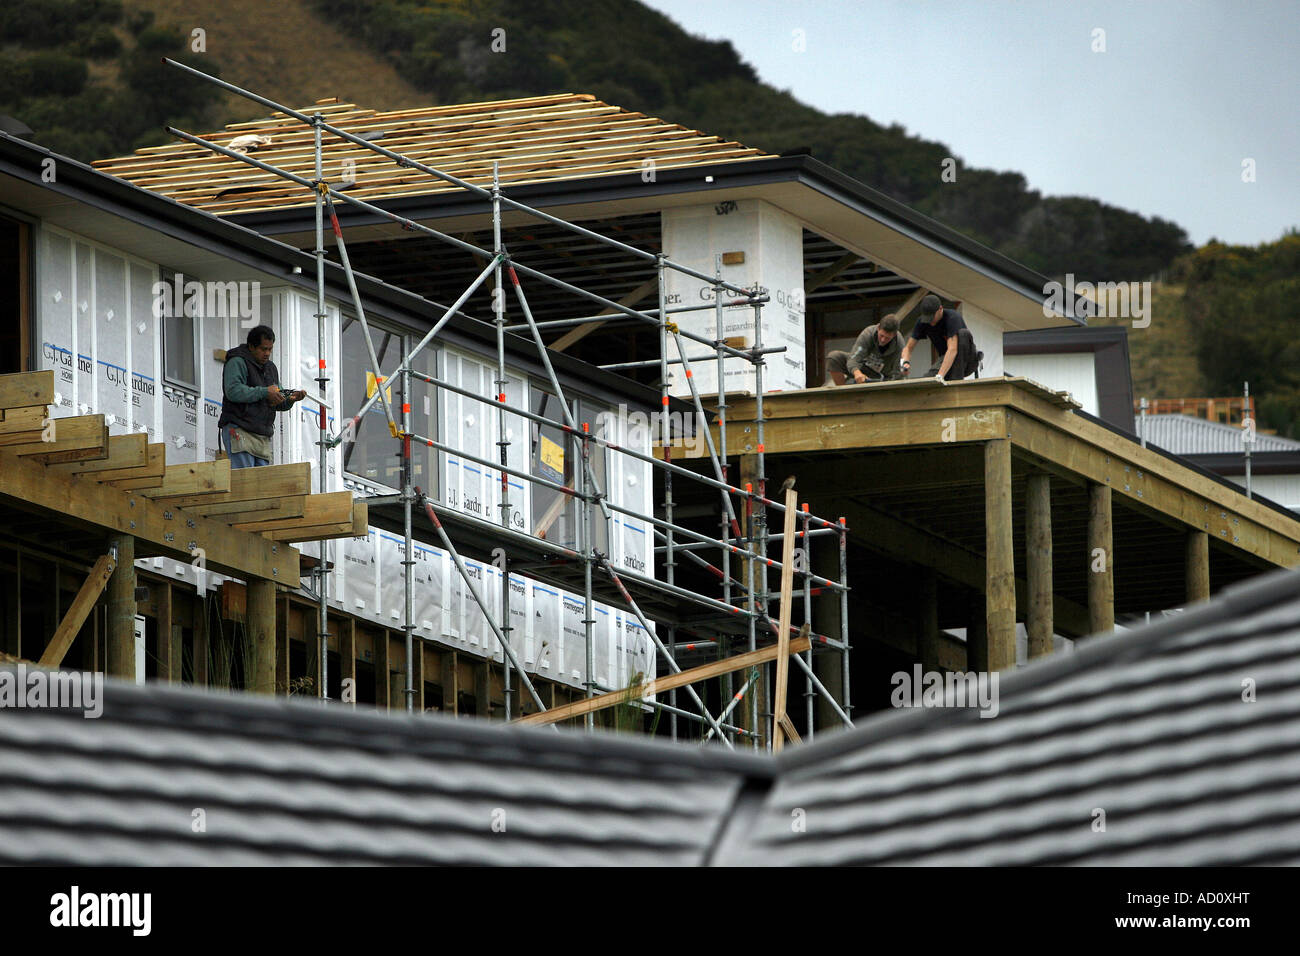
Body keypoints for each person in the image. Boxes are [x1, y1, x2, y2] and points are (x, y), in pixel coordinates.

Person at [217, 325, 304, 468]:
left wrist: (290, 399)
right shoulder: (237, 361)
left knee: (260, 484)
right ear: (251, 346)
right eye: (263, 349)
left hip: (261, 436)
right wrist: (265, 392)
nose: (267, 353)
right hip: (239, 428)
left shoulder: (270, 368)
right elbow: (233, 391)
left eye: (270, 349)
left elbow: (277, 400)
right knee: (246, 483)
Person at [900, 294, 983, 381]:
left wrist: (940, 375)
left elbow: (952, 349)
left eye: (932, 317)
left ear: (940, 309)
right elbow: (908, 348)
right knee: (928, 380)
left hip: (967, 359)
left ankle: (956, 380)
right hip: (945, 358)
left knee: (963, 334)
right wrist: (905, 362)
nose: (930, 322)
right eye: (927, 319)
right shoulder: (922, 322)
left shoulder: (952, 317)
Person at [826, 314, 903, 385]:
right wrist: (857, 372)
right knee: (834, 357)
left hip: (882, 377)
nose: (883, 340)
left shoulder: (899, 344)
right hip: (862, 368)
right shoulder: (867, 334)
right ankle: (842, 393)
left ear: (894, 335)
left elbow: (897, 371)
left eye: (887, 338)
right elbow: (853, 359)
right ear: (878, 328)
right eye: (881, 335)